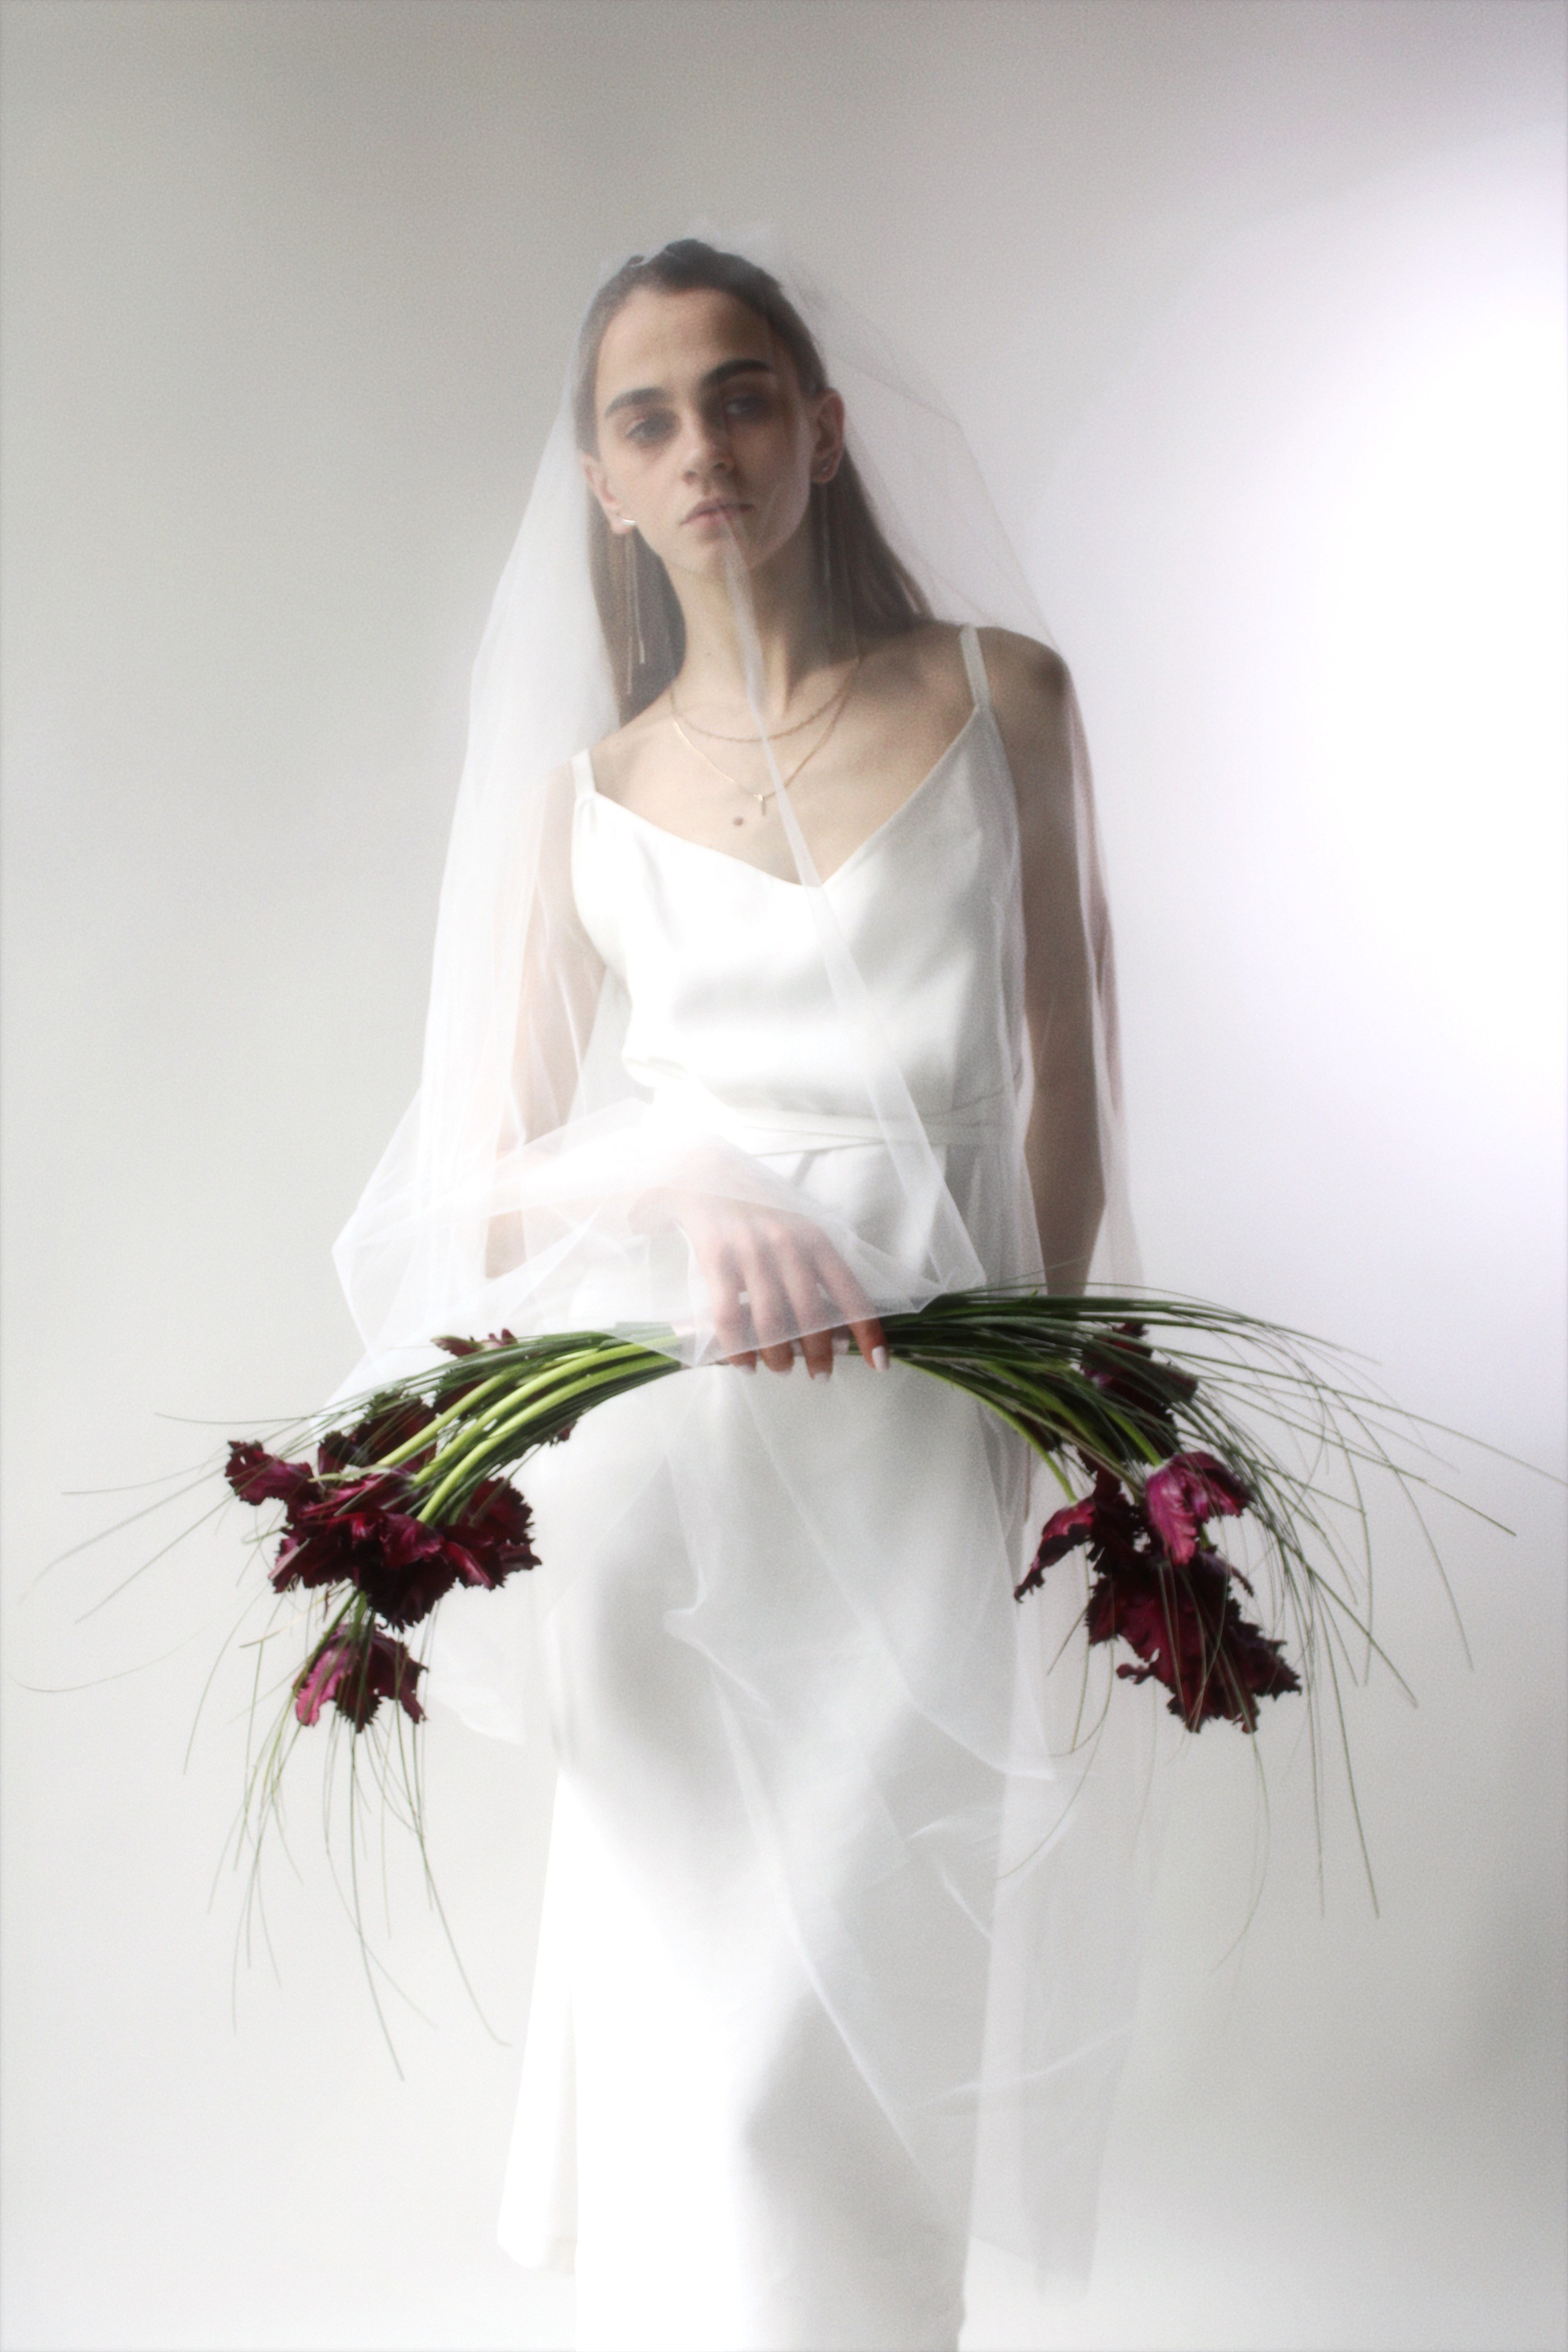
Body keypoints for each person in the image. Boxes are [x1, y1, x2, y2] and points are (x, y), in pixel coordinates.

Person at [334, 235, 1158, 2352]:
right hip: (678, 1465)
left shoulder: (1004, 697)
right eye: (650, 416)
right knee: (706, 2043)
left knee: (871, 2002)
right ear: (604, 482)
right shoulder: (584, 806)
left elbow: (1071, 1088)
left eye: (742, 394)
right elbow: (476, 1188)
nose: (702, 443)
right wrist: (685, 1166)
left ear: (822, 427)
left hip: (922, 1437)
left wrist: (1046, 1401)